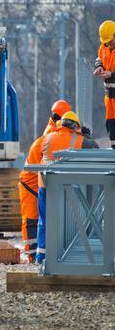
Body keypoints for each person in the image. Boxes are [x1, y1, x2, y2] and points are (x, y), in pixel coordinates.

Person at [35, 111, 98, 264]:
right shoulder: (82, 141)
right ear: (76, 126)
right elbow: (96, 151)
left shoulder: (46, 138)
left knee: (44, 222)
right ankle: (67, 256)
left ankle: (41, 257)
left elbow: (37, 155)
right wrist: (87, 137)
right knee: (71, 222)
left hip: (45, 186)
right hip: (68, 188)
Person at [18, 99, 71, 262]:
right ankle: (32, 254)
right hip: (31, 182)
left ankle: (39, 254)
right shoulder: (51, 135)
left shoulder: (54, 131)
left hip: (40, 181)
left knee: (40, 220)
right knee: (31, 220)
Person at [94, 20, 115, 149]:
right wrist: (99, 67)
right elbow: (99, 58)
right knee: (110, 124)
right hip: (109, 96)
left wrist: (111, 75)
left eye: (110, 40)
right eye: (106, 41)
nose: (108, 43)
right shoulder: (103, 47)